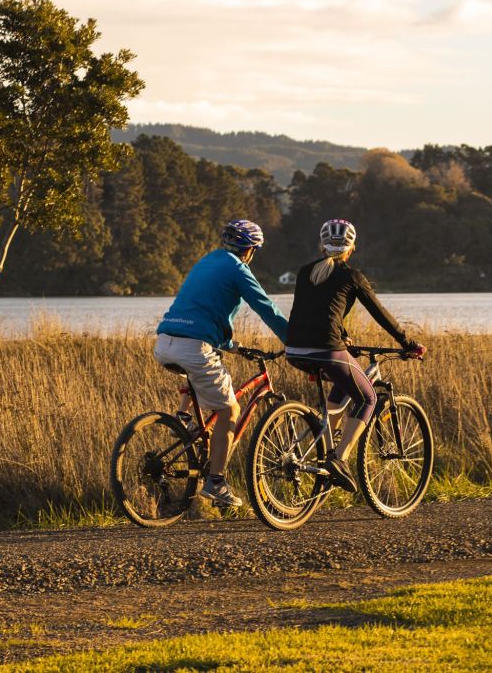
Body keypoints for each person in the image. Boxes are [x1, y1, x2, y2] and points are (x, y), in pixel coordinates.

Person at [154, 219, 288, 508]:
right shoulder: (238, 268)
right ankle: (216, 483)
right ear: (250, 249)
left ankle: (190, 435)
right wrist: (293, 338)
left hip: (165, 341)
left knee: (210, 403)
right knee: (229, 411)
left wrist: (229, 345)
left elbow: (202, 307)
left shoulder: (207, 261)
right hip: (193, 346)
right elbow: (266, 306)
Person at [284, 218, 425, 492]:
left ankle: (324, 450)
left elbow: (316, 310)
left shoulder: (304, 272)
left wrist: (343, 333)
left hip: (294, 350)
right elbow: (380, 314)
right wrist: (408, 343)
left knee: (342, 386)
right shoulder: (351, 276)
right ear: (351, 248)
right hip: (325, 350)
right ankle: (339, 459)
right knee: (368, 397)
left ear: (321, 247)